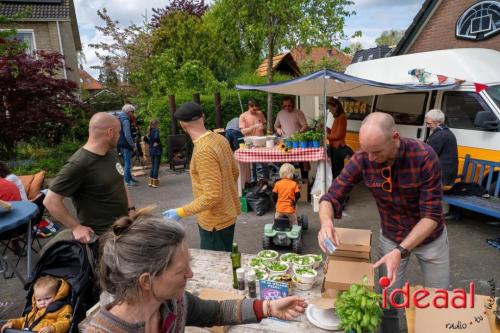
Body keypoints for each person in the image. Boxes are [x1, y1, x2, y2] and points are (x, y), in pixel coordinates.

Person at [317, 112, 449, 333]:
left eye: (376, 152)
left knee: (438, 299)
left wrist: (402, 250)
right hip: (391, 235)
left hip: (430, 240)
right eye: (366, 151)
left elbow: (431, 216)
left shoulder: (425, 156)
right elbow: (330, 198)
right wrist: (326, 223)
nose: (369, 158)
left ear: (395, 137)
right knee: (387, 300)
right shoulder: (363, 158)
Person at [84, 207, 307, 333]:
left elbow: (216, 312)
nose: (190, 274)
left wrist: (269, 307)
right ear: (146, 281)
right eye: (182, 269)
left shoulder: (173, 303)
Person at [43, 112, 136, 245]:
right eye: (119, 132)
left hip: (123, 227)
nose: (120, 136)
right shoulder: (79, 163)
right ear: (110, 132)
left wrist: (130, 208)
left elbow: (121, 182)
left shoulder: (111, 153)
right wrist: (75, 227)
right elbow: (51, 201)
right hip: (102, 236)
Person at [163, 102, 240, 252]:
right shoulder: (220, 139)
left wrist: (181, 212)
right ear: (203, 117)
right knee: (225, 259)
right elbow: (234, 173)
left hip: (214, 222)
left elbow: (212, 196)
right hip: (227, 214)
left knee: (216, 267)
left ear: (182, 125)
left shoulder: (203, 151)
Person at [1, 275, 73, 333]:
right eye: (39, 300)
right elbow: (23, 320)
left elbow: (65, 323)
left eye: (47, 298)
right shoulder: (35, 310)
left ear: (57, 295)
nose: (42, 302)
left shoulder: (63, 308)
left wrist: (52, 328)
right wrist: (13, 323)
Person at [424, 109, 458, 186]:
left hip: (441, 177)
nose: (427, 126)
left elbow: (428, 156)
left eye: (429, 123)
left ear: (438, 122)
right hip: (448, 175)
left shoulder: (439, 135)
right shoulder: (446, 132)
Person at [239, 99, 269, 181]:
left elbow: (265, 125)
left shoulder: (260, 113)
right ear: (249, 107)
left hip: (261, 142)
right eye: (254, 109)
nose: (256, 111)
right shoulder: (243, 116)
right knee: (253, 164)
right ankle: (254, 181)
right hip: (250, 143)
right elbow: (242, 131)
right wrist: (253, 127)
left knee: (264, 161)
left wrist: (263, 127)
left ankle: (266, 179)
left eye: (257, 108)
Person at [326, 97, 348, 179]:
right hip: (334, 146)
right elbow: (334, 132)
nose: (330, 110)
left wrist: (325, 135)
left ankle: (339, 188)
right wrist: (326, 129)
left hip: (338, 148)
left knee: (338, 170)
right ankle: (336, 187)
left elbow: (337, 135)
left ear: (336, 107)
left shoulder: (342, 117)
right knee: (335, 170)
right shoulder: (337, 117)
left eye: (331, 108)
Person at [117, 104, 138, 187]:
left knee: (127, 162)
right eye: (133, 112)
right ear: (129, 112)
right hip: (126, 144)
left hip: (121, 143)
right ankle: (128, 181)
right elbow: (127, 135)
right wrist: (133, 145)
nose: (133, 114)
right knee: (127, 163)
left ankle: (130, 178)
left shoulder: (120, 118)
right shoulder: (125, 120)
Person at [147, 119, 162, 188]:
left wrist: (150, 144)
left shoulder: (149, 130)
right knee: (156, 166)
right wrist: (156, 142)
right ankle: (155, 183)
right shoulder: (155, 130)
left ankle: (150, 182)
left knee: (153, 166)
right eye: (158, 124)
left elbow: (145, 138)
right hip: (156, 150)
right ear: (156, 124)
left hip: (151, 150)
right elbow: (156, 137)